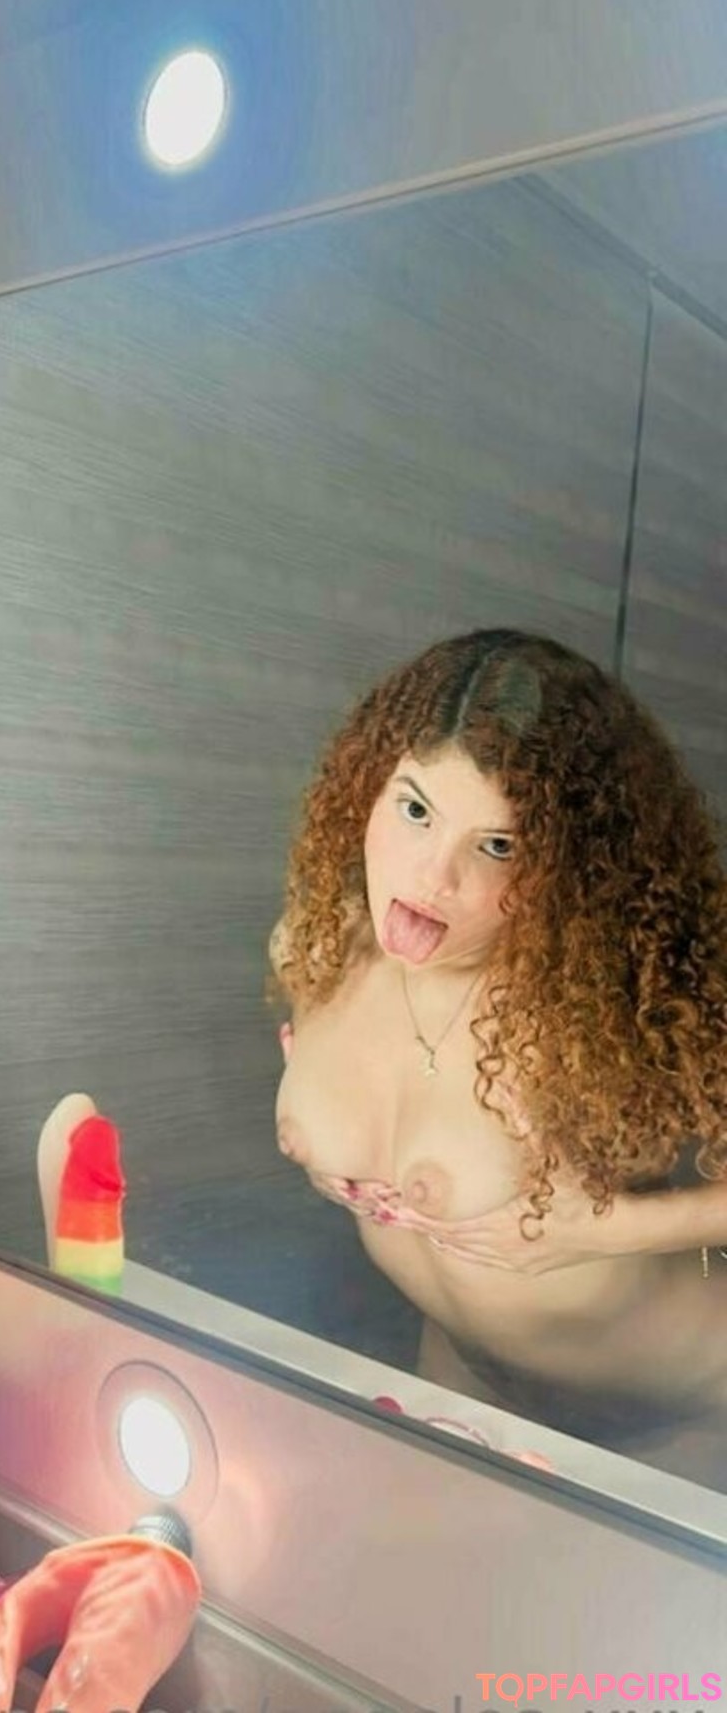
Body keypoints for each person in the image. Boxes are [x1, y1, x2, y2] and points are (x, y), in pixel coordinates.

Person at [272, 628, 727, 1483]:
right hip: (468, 1392)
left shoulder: (616, 1005)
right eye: (415, 810)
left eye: (498, 845)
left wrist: (605, 1229)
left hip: (688, 1415)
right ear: (369, 785)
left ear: (570, 865)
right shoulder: (320, 948)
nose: (432, 875)